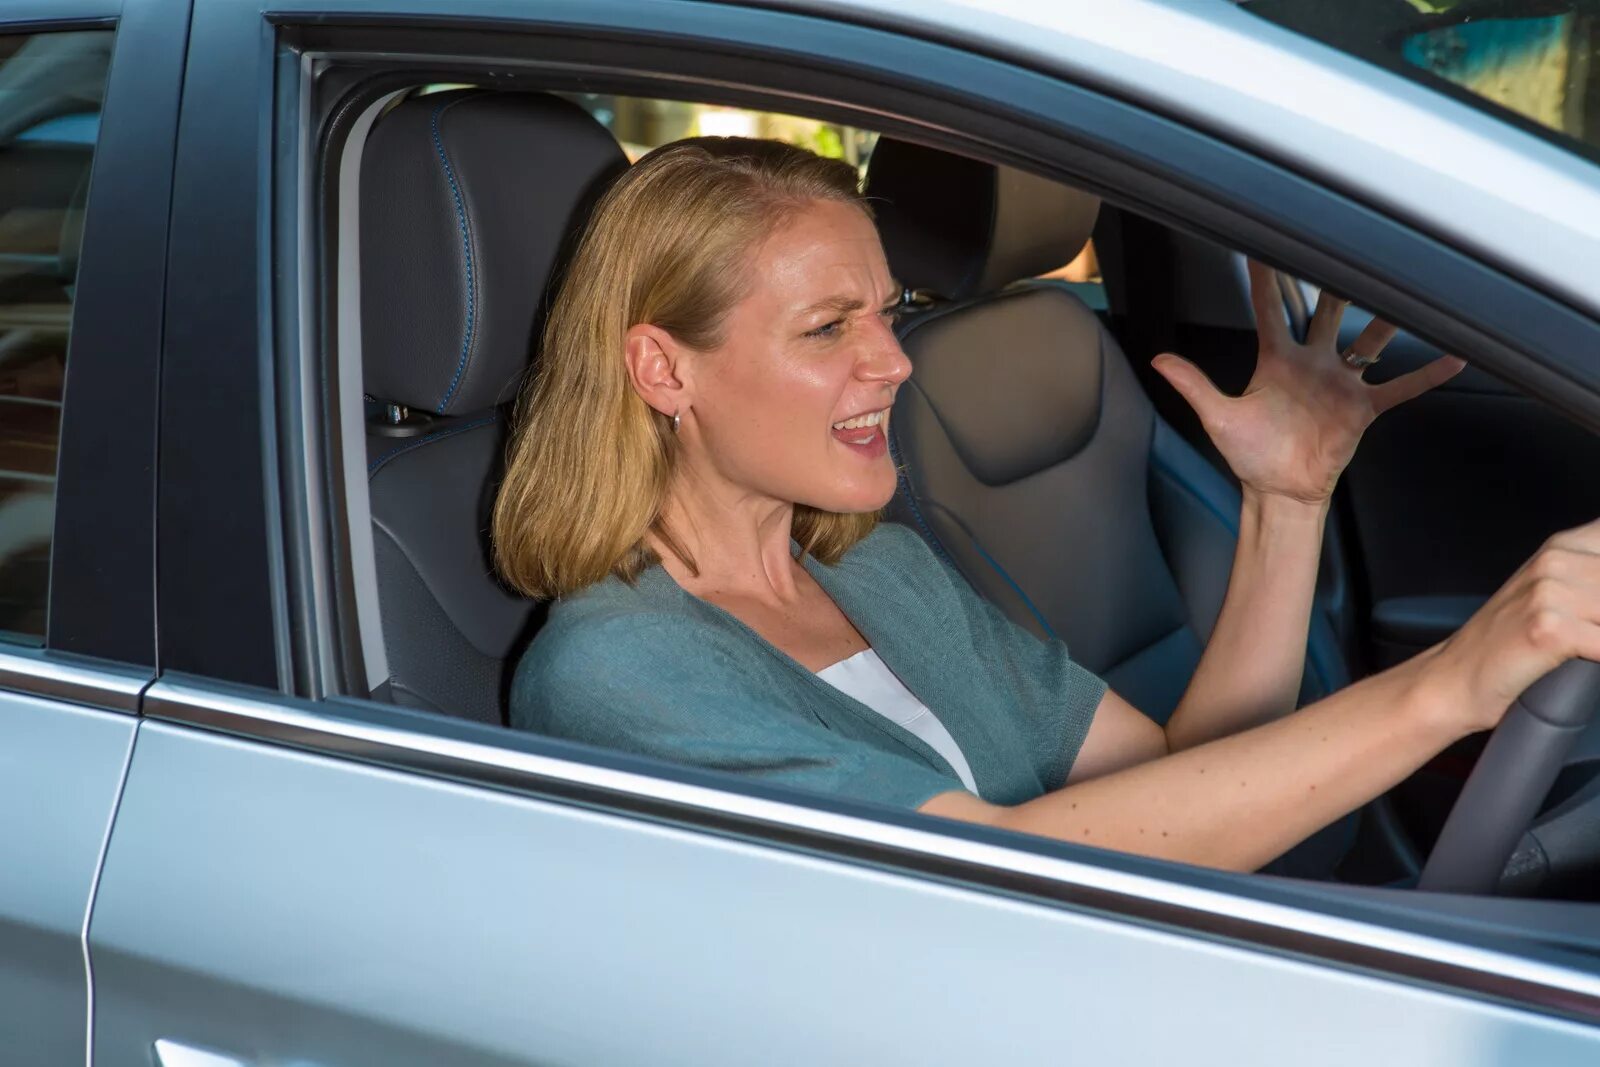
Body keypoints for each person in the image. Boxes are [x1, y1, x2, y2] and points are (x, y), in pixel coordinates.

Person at [492, 137, 1600, 872]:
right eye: (828, 328)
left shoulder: (876, 572)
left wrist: (1283, 502)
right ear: (661, 370)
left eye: (889, 312)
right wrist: (1455, 681)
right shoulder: (616, 670)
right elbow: (1008, 873)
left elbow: (1172, 783)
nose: (894, 363)